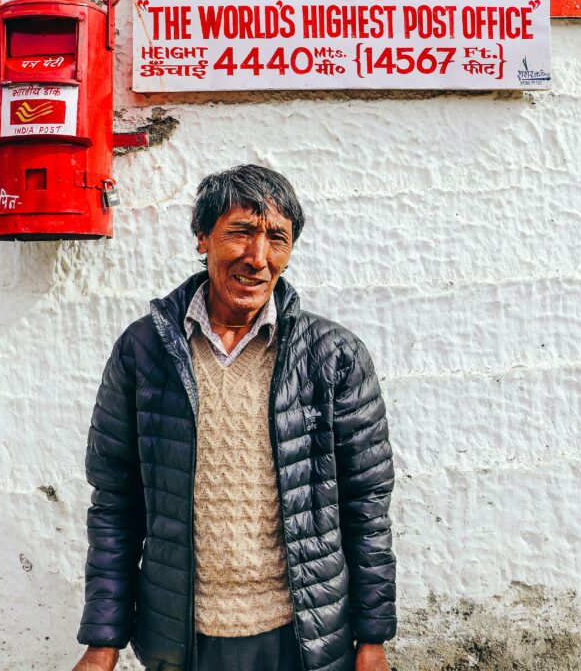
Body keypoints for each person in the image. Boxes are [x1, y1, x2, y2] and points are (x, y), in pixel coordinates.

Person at [72, 164, 396, 671]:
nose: (258, 258)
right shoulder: (144, 352)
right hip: (181, 638)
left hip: (304, 636)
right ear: (202, 237)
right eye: (241, 233)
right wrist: (103, 642)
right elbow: (115, 503)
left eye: (277, 239)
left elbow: (366, 506)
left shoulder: (334, 357)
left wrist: (373, 640)